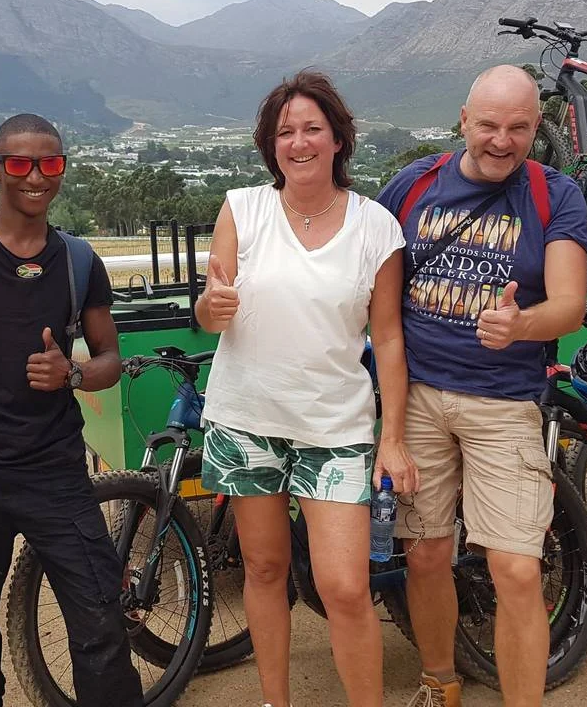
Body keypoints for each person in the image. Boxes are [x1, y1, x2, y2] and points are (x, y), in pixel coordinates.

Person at [196, 70, 418, 707]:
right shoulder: (243, 209)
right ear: (271, 145)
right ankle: (276, 700)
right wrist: (212, 306)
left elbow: (389, 339)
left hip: (335, 427)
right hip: (246, 419)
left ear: (337, 139)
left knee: (344, 586)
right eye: (285, 132)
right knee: (264, 569)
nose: (299, 142)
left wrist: (392, 438)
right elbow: (210, 311)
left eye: (312, 129)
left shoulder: (376, 226)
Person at [0, 113, 142, 707]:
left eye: (50, 163)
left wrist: (73, 373)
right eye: (19, 163)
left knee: (100, 618)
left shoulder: (79, 262)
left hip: (54, 472)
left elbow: (110, 358)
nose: (35, 177)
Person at [375, 65, 587, 707]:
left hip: (504, 401)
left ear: (536, 127)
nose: (502, 140)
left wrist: (522, 324)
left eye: (518, 128)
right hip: (417, 397)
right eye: (489, 125)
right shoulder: (413, 186)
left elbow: (570, 306)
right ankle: (439, 682)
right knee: (425, 554)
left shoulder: (555, 195)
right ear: (464, 120)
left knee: (517, 568)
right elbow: (368, 276)